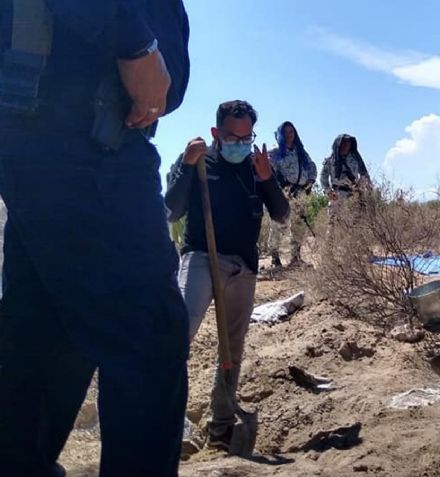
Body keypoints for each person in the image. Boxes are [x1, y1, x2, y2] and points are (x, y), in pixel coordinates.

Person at [0, 2, 191, 476]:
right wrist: (133, 39)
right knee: (149, 338)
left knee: (46, 335)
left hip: (58, 137)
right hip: (83, 137)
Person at [164, 100, 289, 451]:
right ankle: (164, 421)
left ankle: (221, 426)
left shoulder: (256, 166)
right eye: (233, 138)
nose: (241, 144)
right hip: (202, 258)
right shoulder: (198, 161)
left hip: (244, 267)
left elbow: (281, 215)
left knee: (232, 347)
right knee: (178, 333)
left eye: (247, 138)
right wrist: (187, 166)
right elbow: (171, 211)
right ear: (216, 133)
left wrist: (267, 179)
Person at [268, 121, 317, 268]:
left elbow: (312, 166)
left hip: (300, 193)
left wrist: (310, 181)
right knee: (278, 224)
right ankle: (275, 258)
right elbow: (269, 170)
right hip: (281, 194)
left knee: (298, 225)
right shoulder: (275, 153)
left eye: (291, 132)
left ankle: (296, 256)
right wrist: (281, 186)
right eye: (286, 132)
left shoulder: (301, 152)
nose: (289, 135)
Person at [319, 133, 371, 205]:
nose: (346, 144)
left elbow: (364, 175)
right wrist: (328, 192)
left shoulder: (356, 160)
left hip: (354, 195)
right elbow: (323, 176)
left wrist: (359, 187)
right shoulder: (330, 161)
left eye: (348, 142)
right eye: (344, 142)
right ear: (339, 143)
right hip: (337, 196)